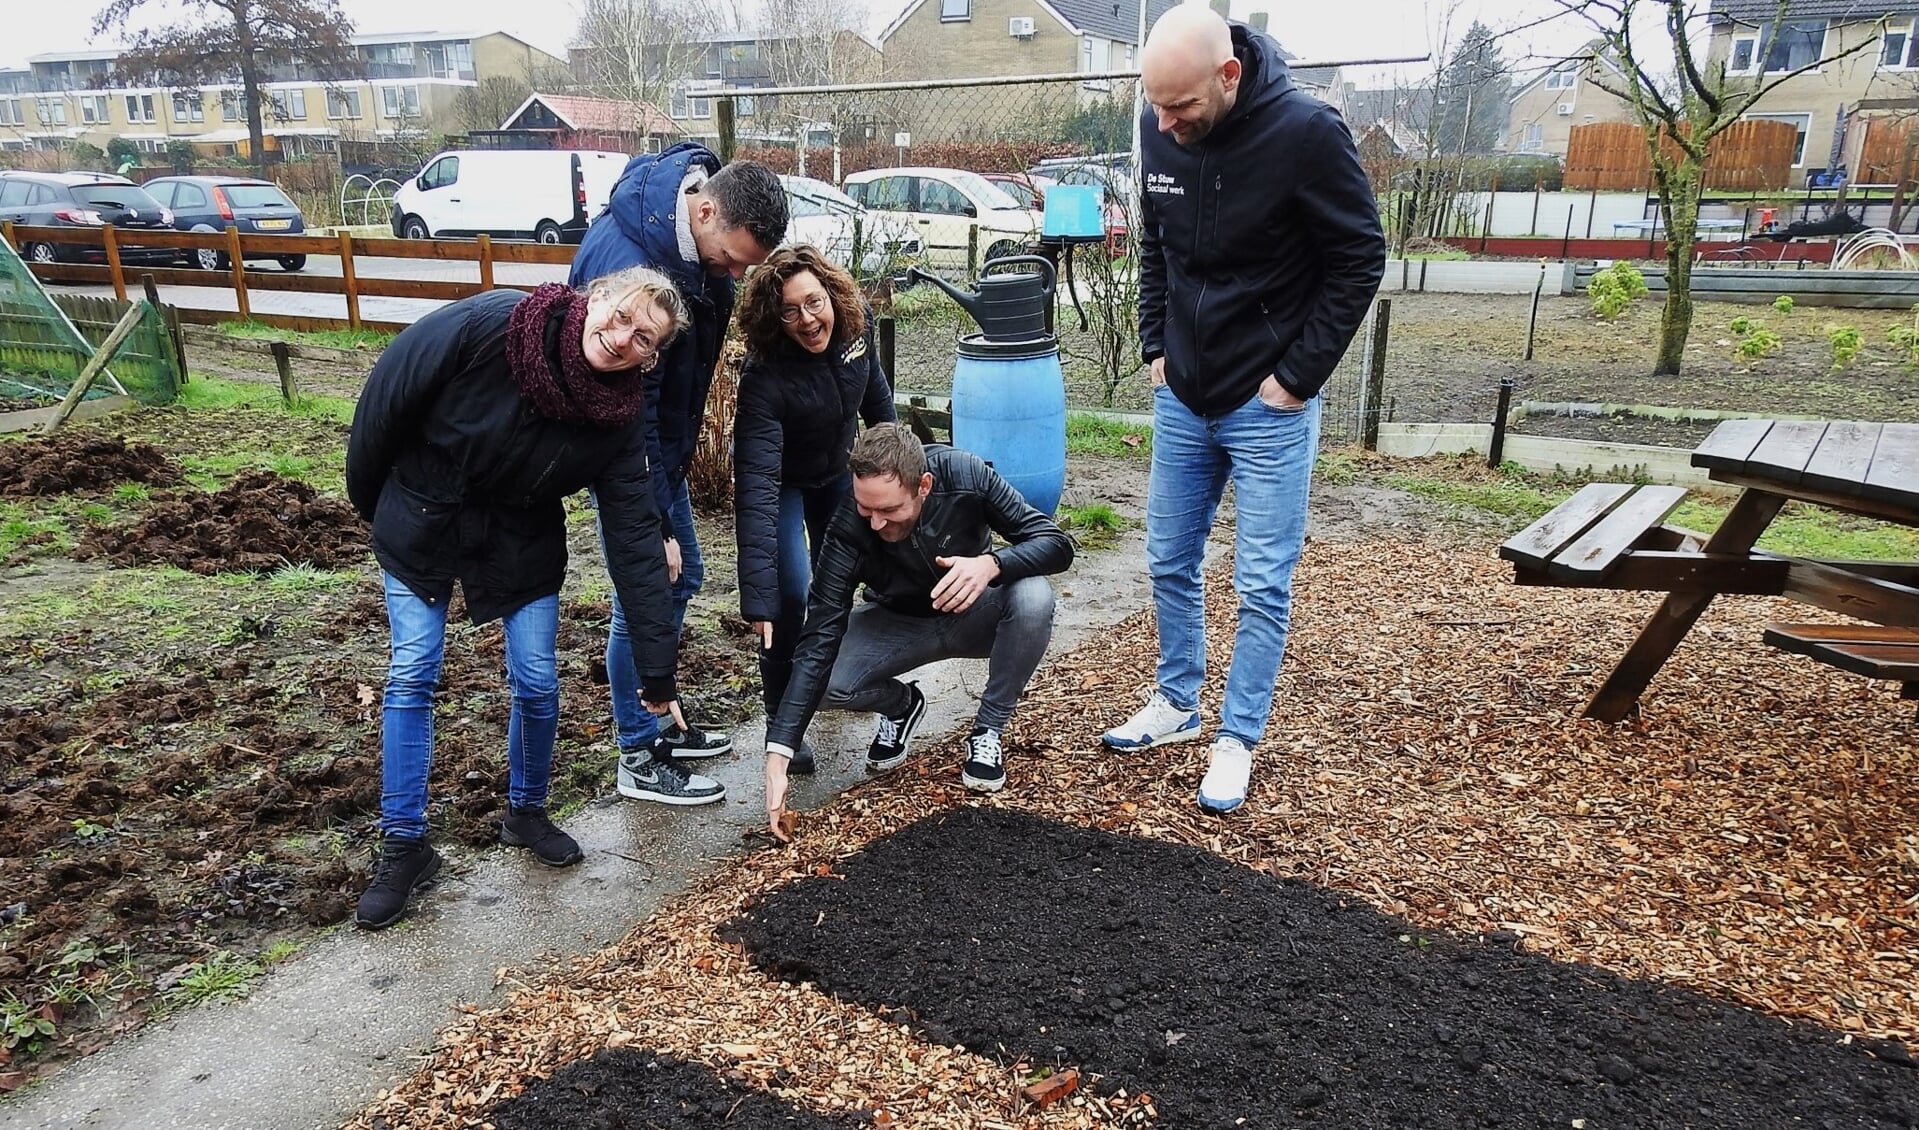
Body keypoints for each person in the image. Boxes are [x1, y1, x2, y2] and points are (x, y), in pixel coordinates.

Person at [1100, 6, 1385, 814]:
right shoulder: (1162, 125)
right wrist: (1156, 344)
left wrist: (1296, 377)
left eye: (1180, 106)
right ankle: (1176, 703)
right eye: (1155, 106)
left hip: (1268, 403)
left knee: (1260, 581)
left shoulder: (1307, 133)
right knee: (1166, 559)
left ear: (1227, 77)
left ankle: (1236, 738)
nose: (1164, 123)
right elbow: (1154, 242)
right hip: (1184, 393)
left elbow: (1359, 255)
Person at [345, 269, 690, 930]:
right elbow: (386, 398)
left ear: (650, 357)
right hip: (425, 509)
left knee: (535, 679)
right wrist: (379, 509)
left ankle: (526, 813)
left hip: (522, 533)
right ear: (596, 297)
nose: (620, 338)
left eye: (642, 338)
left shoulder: (616, 419)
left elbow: (634, 536)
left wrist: (656, 668)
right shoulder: (491, 324)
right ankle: (404, 846)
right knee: (414, 670)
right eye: (619, 316)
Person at [568, 143, 790, 805]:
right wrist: (656, 519)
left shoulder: (689, 248)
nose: (734, 274)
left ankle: (659, 718)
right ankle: (637, 751)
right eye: (732, 259)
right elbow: (626, 409)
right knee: (650, 586)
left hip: (653, 449)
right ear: (707, 209)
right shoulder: (636, 269)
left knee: (681, 573)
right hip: (619, 454)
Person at [762, 424, 1075, 841]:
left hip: (975, 613)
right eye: (865, 508)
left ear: (923, 485)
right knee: (825, 682)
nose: (874, 522)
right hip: (898, 622)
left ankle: (988, 730)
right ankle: (901, 706)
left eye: (888, 510)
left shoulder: (965, 475)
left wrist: (992, 565)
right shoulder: (848, 526)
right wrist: (779, 752)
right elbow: (819, 632)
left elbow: (1056, 543)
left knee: (1034, 596)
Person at [732, 245, 897, 776]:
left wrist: (899, 484)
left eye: (814, 302)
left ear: (833, 296)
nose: (807, 320)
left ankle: (837, 682)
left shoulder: (855, 329)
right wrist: (756, 594)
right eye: (790, 311)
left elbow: (880, 410)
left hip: (834, 475)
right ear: (774, 319)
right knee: (788, 596)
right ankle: (783, 721)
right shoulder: (766, 377)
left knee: (839, 585)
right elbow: (756, 484)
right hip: (782, 485)